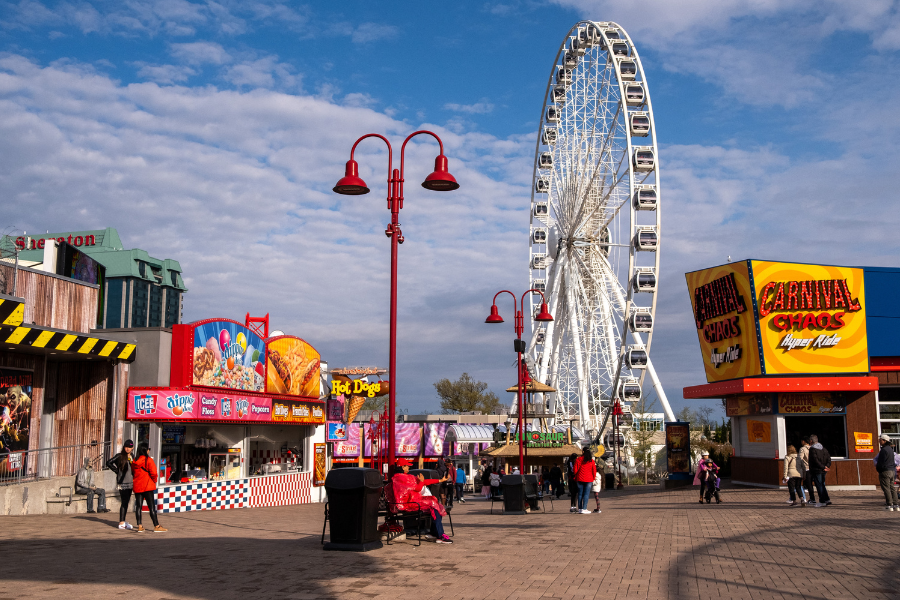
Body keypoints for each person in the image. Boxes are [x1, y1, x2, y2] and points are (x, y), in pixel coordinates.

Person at [132, 443, 166, 532]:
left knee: (138, 506)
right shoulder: (149, 460)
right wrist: (154, 480)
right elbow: (154, 473)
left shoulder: (135, 461)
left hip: (137, 486)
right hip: (147, 486)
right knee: (151, 507)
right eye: (148, 449)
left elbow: (133, 473)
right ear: (146, 450)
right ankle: (156, 526)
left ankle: (139, 525)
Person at [105, 439, 135, 529]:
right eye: (126, 447)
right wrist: (116, 471)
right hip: (122, 483)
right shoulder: (120, 456)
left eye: (129, 447)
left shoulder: (133, 456)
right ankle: (121, 523)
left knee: (126, 502)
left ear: (132, 448)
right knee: (124, 502)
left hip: (131, 482)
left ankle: (123, 521)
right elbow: (108, 462)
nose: (127, 449)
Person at [874, 433, 899, 511]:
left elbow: (881, 462)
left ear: (884, 441)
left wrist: (878, 469)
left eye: (880, 439)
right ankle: (896, 505)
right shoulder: (891, 450)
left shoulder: (883, 450)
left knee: (886, 488)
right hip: (892, 471)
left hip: (885, 471)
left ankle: (889, 505)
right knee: (892, 488)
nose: (879, 441)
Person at [807, 434, 832, 507]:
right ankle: (827, 499)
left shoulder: (812, 449)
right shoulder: (823, 448)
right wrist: (826, 466)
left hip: (817, 469)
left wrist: (822, 467)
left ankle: (822, 501)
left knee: (819, 485)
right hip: (823, 470)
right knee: (822, 484)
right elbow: (829, 458)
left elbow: (815, 460)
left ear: (811, 441)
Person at [571, 447, 597, 514]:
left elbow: (575, 470)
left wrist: (576, 475)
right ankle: (584, 508)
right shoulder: (591, 461)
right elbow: (594, 471)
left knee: (580, 494)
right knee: (586, 494)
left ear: (583, 452)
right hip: (589, 479)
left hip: (580, 478)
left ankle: (580, 509)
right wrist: (593, 478)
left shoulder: (578, 459)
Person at [798, 437, 816, 505]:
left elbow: (800, 459)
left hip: (805, 468)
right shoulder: (812, 448)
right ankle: (813, 498)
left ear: (803, 441)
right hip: (812, 468)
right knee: (811, 484)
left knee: (806, 485)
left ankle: (809, 498)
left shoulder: (803, 449)